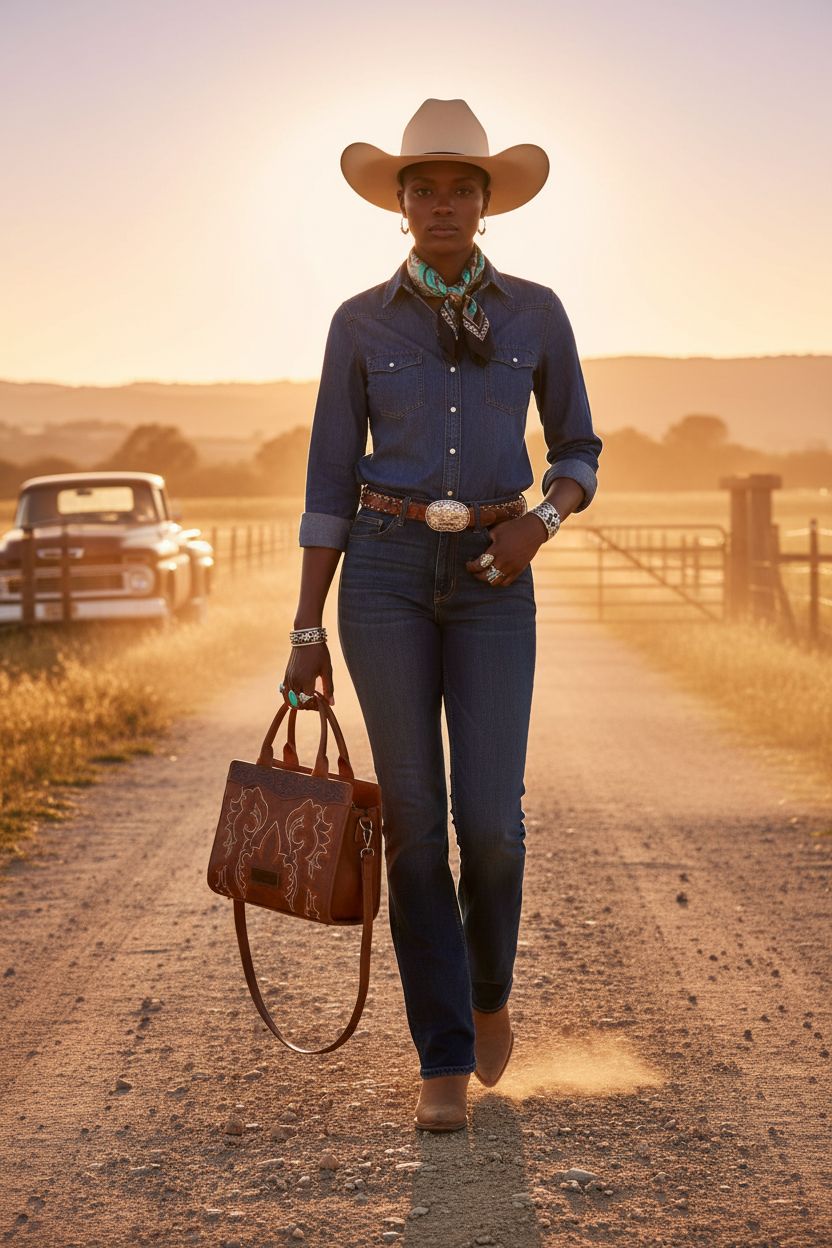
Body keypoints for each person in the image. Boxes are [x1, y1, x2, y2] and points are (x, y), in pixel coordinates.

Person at [281, 99, 602, 1132]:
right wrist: (303, 628)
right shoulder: (357, 322)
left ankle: (490, 987)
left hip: (497, 576)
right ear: (399, 203)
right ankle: (442, 1057)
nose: (442, 203)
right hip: (379, 571)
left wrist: (539, 523)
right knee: (414, 826)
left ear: (488, 200)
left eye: (462, 186)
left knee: (491, 827)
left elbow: (579, 453)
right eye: (422, 187)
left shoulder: (536, 312)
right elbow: (329, 477)